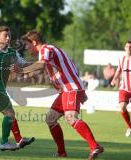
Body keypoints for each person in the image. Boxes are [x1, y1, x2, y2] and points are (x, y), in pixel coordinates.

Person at [20, 30, 104, 160]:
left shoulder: (46, 49)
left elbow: (41, 65)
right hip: (67, 89)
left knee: (71, 118)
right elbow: (46, 69)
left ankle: (94, 147)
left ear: (34, 42)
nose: (26, 48)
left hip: (71, 88)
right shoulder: (47, 52)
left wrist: (23, 70)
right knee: (50, 118)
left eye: (27, 45)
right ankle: (61, 152)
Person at [111, 40, 131, 137]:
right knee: (122, 107)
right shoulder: (122, 59)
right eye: (127, 47)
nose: (129, 49)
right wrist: (114, 79)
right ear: (125, 48)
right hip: (125, 88)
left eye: (130, 47)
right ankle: (130, 127)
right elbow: (118, 71)